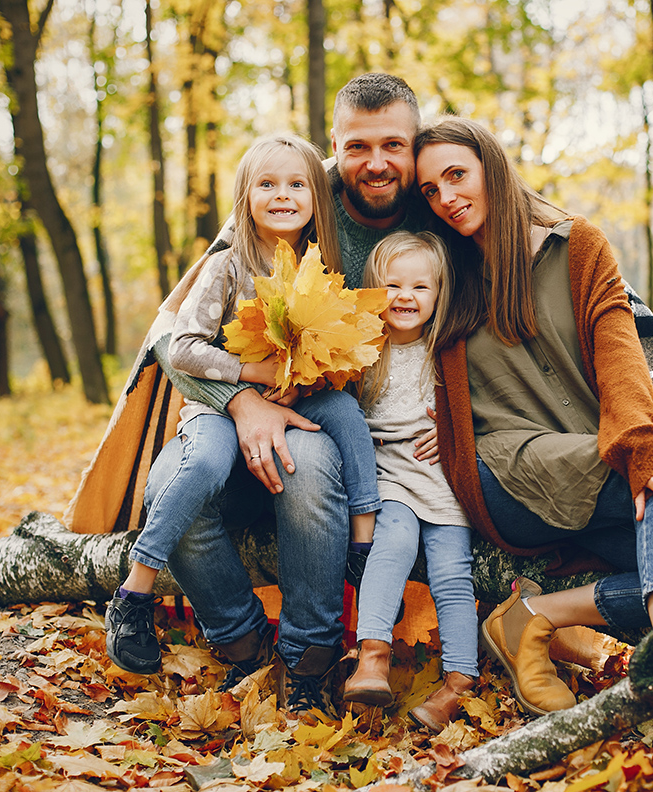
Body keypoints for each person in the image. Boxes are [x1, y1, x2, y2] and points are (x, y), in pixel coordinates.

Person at [414, 116, 653, 716]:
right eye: (430, 191)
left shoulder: (577, 247)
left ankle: (535, 615)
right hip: (505, 476)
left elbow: (621, 354)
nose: (447, 198)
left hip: (600, 467)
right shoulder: (443, 272)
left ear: (493, 168)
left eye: (456, 176)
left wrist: (642, 443)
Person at [128, 73, 428, 716]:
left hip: (325, 418)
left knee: (311, 460)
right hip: (224, 405)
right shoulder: (252, 233)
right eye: (357, 148)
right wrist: (244, 397)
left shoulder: (432, 198)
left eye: (393, 146)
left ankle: (310, 654)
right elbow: (173, 339)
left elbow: (538, 229)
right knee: (178, 483)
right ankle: (240, 639)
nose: (375, 163)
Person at [103, 134, 383, 682]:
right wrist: (250, 375)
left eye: (297, 184)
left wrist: (306, 381)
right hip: (218, 411)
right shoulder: (226, 268)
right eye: (267, 184)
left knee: (346, 420)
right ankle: (137, 593)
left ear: (316, 199)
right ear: (244, 196)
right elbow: (183, 346)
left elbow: (339, 351)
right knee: (202, 464)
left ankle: (362, 544)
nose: (283, 195)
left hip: (301, 399)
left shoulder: (322, 271)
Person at [339, 232, 477, 731]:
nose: (404, 296)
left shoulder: (449, 350)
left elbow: (480, 408)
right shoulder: (360, 352)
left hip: (444, 479)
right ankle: (372, 652)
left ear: (439, 294)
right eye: (392, 285)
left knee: (452, 572)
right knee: (391, 539)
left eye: (420, 286)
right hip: (388, 474)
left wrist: (457, 429)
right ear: (374, 290)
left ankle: (460, 682)